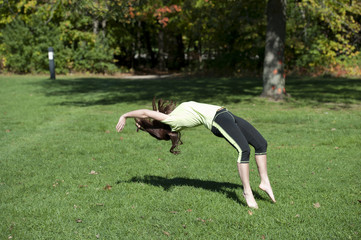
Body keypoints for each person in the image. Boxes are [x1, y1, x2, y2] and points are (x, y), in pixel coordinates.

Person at [116, 98, 276, 209]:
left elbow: (148, 115)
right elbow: (145, 112)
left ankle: (265, 181)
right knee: (243, 150)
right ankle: (247, 191)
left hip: (226, 113)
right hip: (217, 120)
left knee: (261, 144)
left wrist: (142, 124)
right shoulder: (172, 121)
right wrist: (125, 115)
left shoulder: (174, 115)